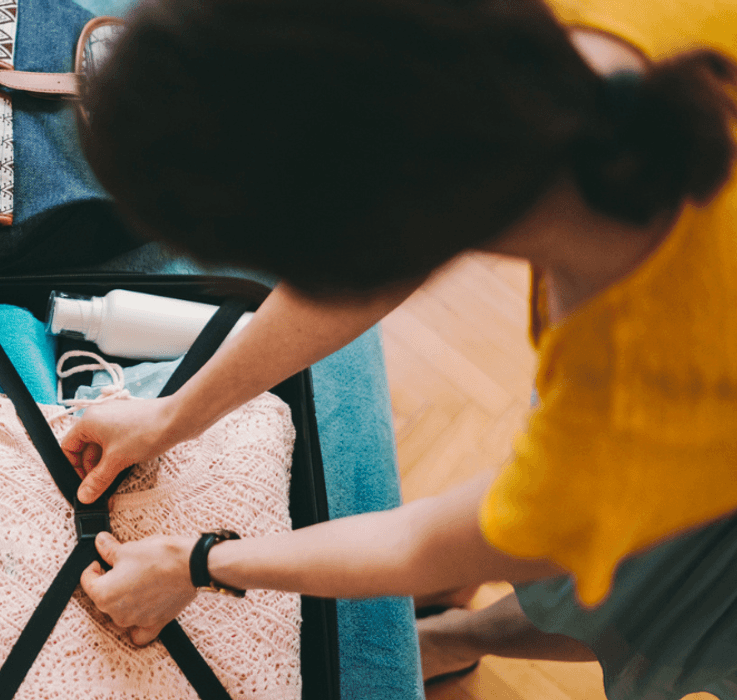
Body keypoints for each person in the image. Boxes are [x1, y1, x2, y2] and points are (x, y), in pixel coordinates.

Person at [64, 0, 737, 697]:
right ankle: (459, 624)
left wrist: (197, 563)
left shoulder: (633, 415)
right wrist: (172, 415)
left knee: (643, 603)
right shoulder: (502, 82)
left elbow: (422, 543)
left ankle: (455, 639)